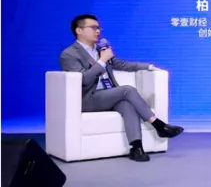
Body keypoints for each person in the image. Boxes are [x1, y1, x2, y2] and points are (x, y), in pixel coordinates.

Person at [59, 14, 184, 162]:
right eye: (93, 28)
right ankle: (159, 126)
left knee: (127, 104)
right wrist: (102, 61)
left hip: (107, 95)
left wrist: (149, 66)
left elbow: (122, 65)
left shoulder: (100, 49)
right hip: (88, 99)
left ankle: (136, 148)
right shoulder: (69, 54)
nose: (98, 31)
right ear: (79, 30)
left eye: (99, 28)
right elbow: (84, 80)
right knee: (127, 90)